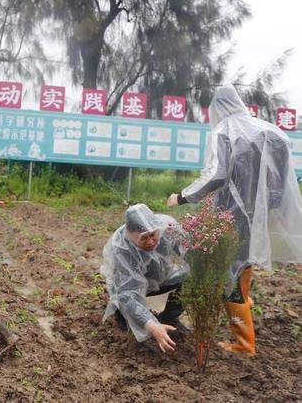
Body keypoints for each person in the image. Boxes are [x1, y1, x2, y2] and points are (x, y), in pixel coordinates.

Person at [167, 84, 302, 356]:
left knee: (227, 277)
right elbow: (278, 183)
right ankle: (239, 311)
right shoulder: (270, 132)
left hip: (232, 217)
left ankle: (244, 344)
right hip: (260, 217)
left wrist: (181, 196)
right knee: (243, 267)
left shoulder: (225, 131)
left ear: (217, 108)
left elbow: (217, 174)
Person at [101, 204, 189, 353]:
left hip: (161, 275)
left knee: (190, 278)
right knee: (127, 311)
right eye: (144, 238)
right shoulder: (122, 249)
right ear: (130, 234)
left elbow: (190, 253)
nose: (150, 241)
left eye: (153, 234)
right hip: (130, 284)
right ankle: (123, 316)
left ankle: (169, 317)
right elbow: (127, 294)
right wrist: (152, 326)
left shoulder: (168, 229)